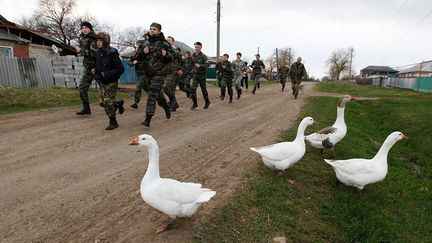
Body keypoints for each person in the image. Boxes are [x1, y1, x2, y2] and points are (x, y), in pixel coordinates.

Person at [135, 22, 173, 127]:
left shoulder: (163, 43)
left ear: (159, 31)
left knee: (152, 95)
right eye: (151, 28)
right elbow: (138, 57)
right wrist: (144, 53)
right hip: (147, 74)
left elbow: (172, 57)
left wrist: (166, 55)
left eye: (154, 29)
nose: (152, 30)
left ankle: (148, 119)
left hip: (159, 74)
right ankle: (165, 106)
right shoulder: (144, 43)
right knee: (157, 95)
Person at [92, 32, 125, 130]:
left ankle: (113, 122)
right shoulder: (98, 52)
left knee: (107, 101)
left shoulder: (112, 52)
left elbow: (120, 69)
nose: (98, 42)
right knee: (102, 102)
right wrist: (95, 70)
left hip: (112, 81)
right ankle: (118, 103)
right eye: (97, 40)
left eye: (100, 40)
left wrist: (106, 74)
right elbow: (99, 65)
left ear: (106, 41)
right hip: (102, 81)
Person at [75, 21, 98, 115]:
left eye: (86, 28)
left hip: (97, 68)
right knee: (82, 88)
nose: (84, 29)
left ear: (90, 29)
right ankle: (86, 108)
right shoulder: (84, 39)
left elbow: (93, 53)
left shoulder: (93, 38)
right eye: (82, 28)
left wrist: (81, 51)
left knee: (105, 91)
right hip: (88, 68)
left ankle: (116, 104)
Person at [163, 36, 184, 112]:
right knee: (171, 89)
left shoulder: (176, 50)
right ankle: (174, 105)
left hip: (173, 72)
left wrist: (181, 69)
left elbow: (182, 61)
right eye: (167, 40)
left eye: (169, 40)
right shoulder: (163, 50)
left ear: (173, 42)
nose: (168, 42)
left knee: (166, 87)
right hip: (165, 72)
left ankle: (173, 102)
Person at [129, 32, 149, 109]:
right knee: (145, 88)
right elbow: (129, 62)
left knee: (138, 87)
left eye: (139, 45)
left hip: (145, 72)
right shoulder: (135, 54)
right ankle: (154, 96)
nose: (137, 46)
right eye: (137, 45)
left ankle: (136, 103)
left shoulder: (145, 53)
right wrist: (133, 63)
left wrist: (146, 36)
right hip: (138, 73)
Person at [190, 41, 210, 110]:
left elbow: (207, 64)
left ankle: (207, 102)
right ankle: (195, 104)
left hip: (202, 75)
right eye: (195, 47)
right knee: (193, 89)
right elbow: (192, 63)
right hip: (195, 75)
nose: (196, 48)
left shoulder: (203, 56)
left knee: (203, 89)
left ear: (201, 47)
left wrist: (200, 65)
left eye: (197, 47)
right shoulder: (193, 55)